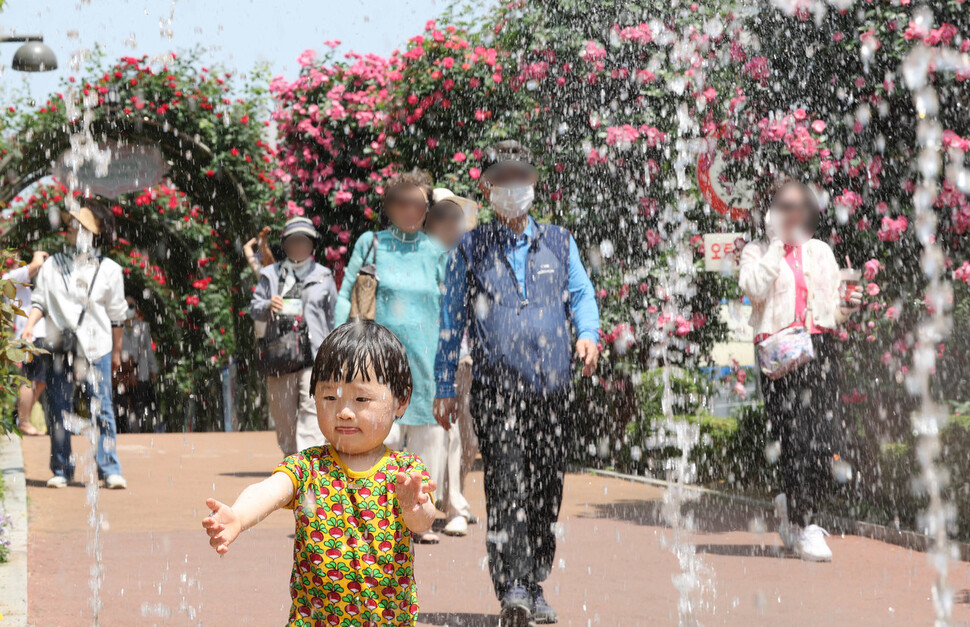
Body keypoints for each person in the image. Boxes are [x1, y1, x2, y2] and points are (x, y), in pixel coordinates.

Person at [433, 140, 601, 626]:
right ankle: (513, 589)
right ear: (486, 188)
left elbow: (582, 294)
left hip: (552, 390)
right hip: (494, 390)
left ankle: (536, 580)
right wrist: (445, 384)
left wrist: (588, 335)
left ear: (534, 184)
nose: (512, 187)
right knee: (506, 485)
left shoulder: (559, 241)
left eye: (520, 177)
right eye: (502, 179)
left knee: (545, 489)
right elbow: (451, 320)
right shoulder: (471, 247)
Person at [202, 320, 436, 626]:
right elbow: (268, 490)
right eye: (330, 398)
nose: (344, 411)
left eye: (361, 399)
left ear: (401, 400)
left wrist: (412, 506)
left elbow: (423, 519)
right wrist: (239, 516)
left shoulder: (405, 471)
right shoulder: (308, 467)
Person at [738, 178, 863, 562]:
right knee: (796, 443)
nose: (794, 213)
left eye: (799, 206)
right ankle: (807, 525)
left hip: (820, 352)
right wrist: (777, 245)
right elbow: (754, 290)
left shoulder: (821, 252)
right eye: (784, 206)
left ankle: (792, 506)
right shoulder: (756, 251)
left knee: (828, 444)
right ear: (770, 210)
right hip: (780, 358)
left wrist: (849, 305)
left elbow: (831, 312)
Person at [335, 169, 447, 544]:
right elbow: (346, 294)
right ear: (389, 205)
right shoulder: (373, 243)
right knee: (380, 437)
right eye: (402, 201)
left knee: (427, 440)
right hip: (380, 363)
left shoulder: (436, 251)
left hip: (426, 362)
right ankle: (374, 518)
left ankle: (420, 515)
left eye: (418, 203)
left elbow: (451, 308)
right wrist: (337, 348)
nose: (410, 210)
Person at [22, 203, 128, 489]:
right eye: (72, 224)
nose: (72, 229)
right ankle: (61, 468)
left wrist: (117, 352)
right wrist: (30, 326)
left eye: (80, 226)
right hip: (60, 346)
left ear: (93, 234)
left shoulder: (110, 270)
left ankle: (109, 469)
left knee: (102, 406)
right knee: (58, 407)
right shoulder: (52, 265)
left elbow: (118, 315)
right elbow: (40, 301)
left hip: (98, 346)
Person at [251, 216, 336, 456]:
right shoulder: (271, 274)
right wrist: (269, 303)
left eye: (304, 241)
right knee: (284, 418)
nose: (299, 246)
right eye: (293, 241)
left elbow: (333, 318)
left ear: (312, 245)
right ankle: (291, 464)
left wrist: (336, 353)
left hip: (315, 355)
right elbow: (254, 308)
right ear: (285, 245)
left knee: (312, 412)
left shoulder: (324, 276)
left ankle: (307, 469)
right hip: (280, 354)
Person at [424, 188, 480, 538]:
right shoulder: (420, 256)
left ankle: (452, 496)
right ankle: (449, 504)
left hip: (467, 358)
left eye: (454, 215)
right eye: (441, 215)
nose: (449, 222)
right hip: (427, 358)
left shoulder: (470, 254)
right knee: (440, 434)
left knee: (468, 436)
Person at [2, 250, 49, 436]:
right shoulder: (11, 277)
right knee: (30, 379)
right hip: (29, 335)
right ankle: (24, 421)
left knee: (39, 381)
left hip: (34, 335)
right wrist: (38, 254)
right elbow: (36, 266)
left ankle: (24, 417)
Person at [114, 297, 159, 433]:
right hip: (121, 373)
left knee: (140, 406)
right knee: (120, 406)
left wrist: (154, 369)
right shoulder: (116, 327)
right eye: (126, 305)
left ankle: (141, 433)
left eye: (131, 305)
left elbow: (148, 350)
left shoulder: (143, 327)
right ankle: (123, 433)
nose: (128, 308)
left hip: (141, 372)